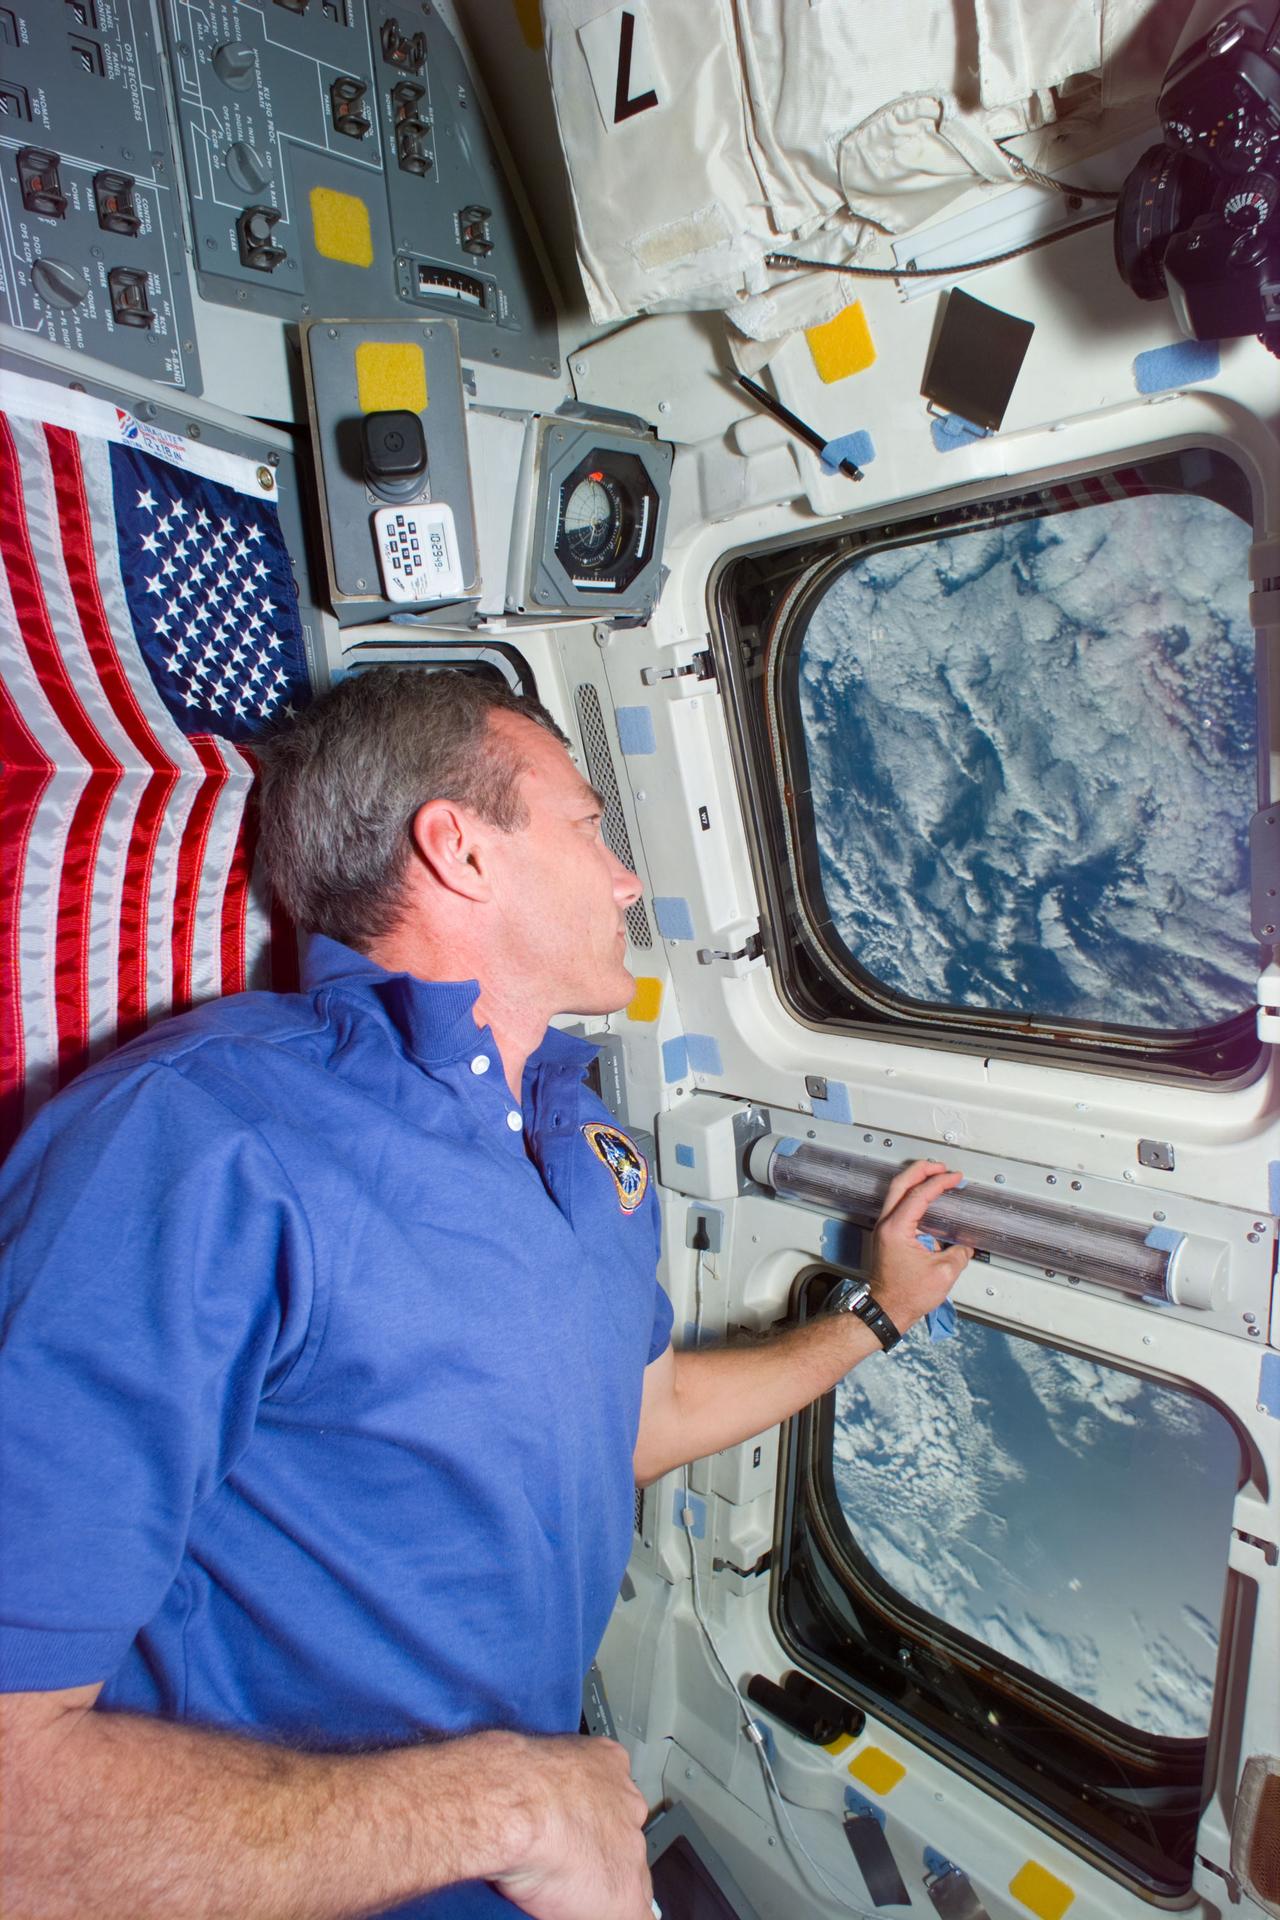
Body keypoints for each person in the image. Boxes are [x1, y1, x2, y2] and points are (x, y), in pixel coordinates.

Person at [0, 668, 971, 1920]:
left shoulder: (590, 1143)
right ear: (457, 849)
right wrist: (513, 1807)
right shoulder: (196, 1136)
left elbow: (641, 1416)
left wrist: (874, 1318)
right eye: (588, 828)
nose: (625, 880)